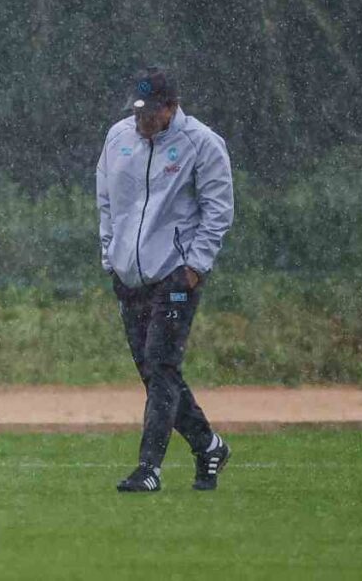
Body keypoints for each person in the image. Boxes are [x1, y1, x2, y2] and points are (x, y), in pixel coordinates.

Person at [96, 66, 234, 492]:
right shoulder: (119, 137)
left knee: (161, 365)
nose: (142, 120)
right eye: (137, 111)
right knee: (155, 373)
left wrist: (193, 268)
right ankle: (208, 444)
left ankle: (149, 468)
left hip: (174, 275)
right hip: (128, 275)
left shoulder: (203, 144)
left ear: (171, 108)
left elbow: (218, 210)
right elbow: (106, 199)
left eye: (151, 112)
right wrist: (109, 255)